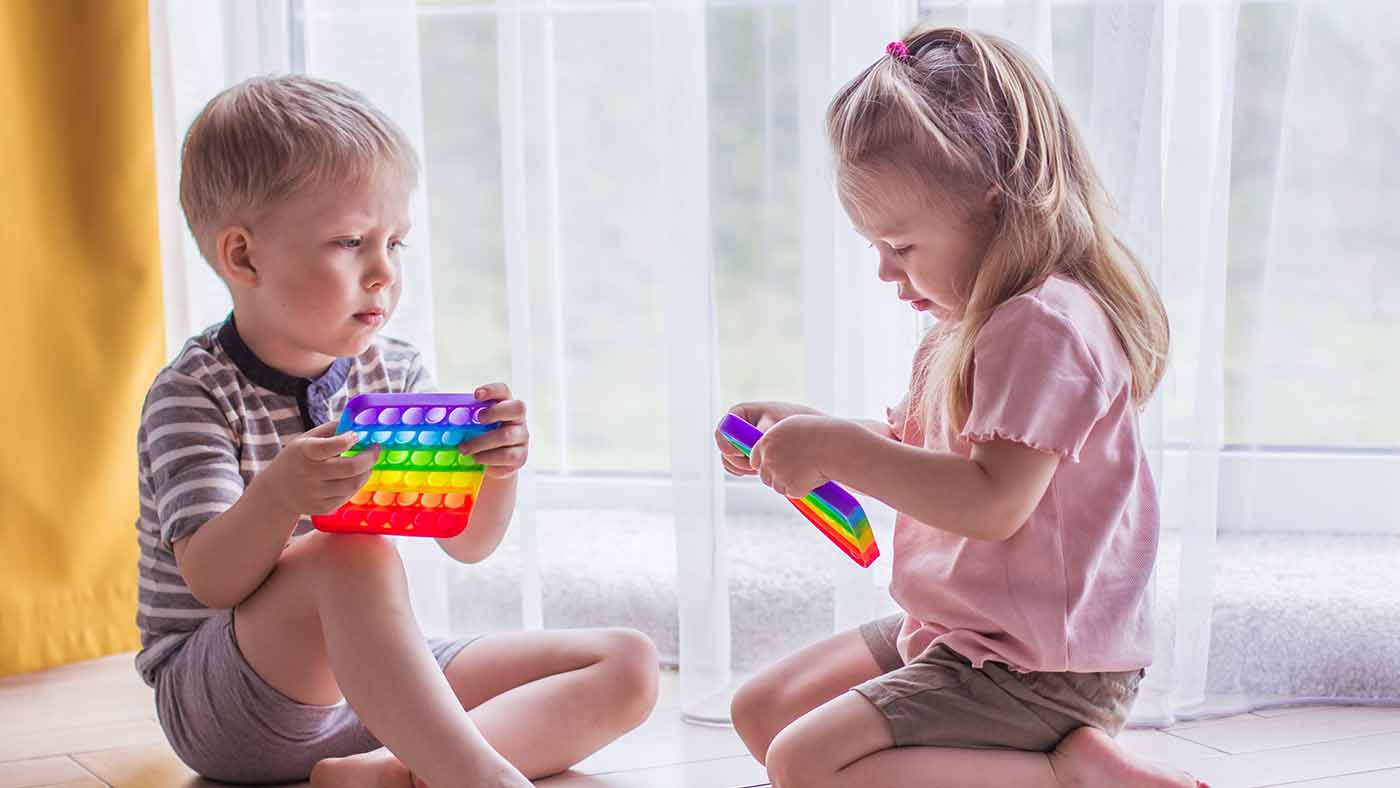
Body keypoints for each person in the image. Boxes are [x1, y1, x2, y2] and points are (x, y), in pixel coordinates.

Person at [135, 74, 658, 788]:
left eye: (395, 242)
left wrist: (495, 470)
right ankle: (478, 778)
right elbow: (212, 581)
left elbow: (468, 543)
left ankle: (382, 774)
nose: (383, 272)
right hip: (228, 705)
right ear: (244, 257)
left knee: (625, 663)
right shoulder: (193, 393)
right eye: (351, 242)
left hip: (364, 688)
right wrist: (280, 494)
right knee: (351, 554)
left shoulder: (390, 370)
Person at [720, 27, 1205, 788]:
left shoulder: (1044, 324)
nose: (884, 269)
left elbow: (992, 502)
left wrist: (841, 453)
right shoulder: (971, 321)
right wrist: (810, 430)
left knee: (804, 761)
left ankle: (1063, 774)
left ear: (992, 204)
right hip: (969, 631)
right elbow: (931, 457)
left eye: (901, 246)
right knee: (764, 710)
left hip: (1041, 665)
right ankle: (1054, 759)